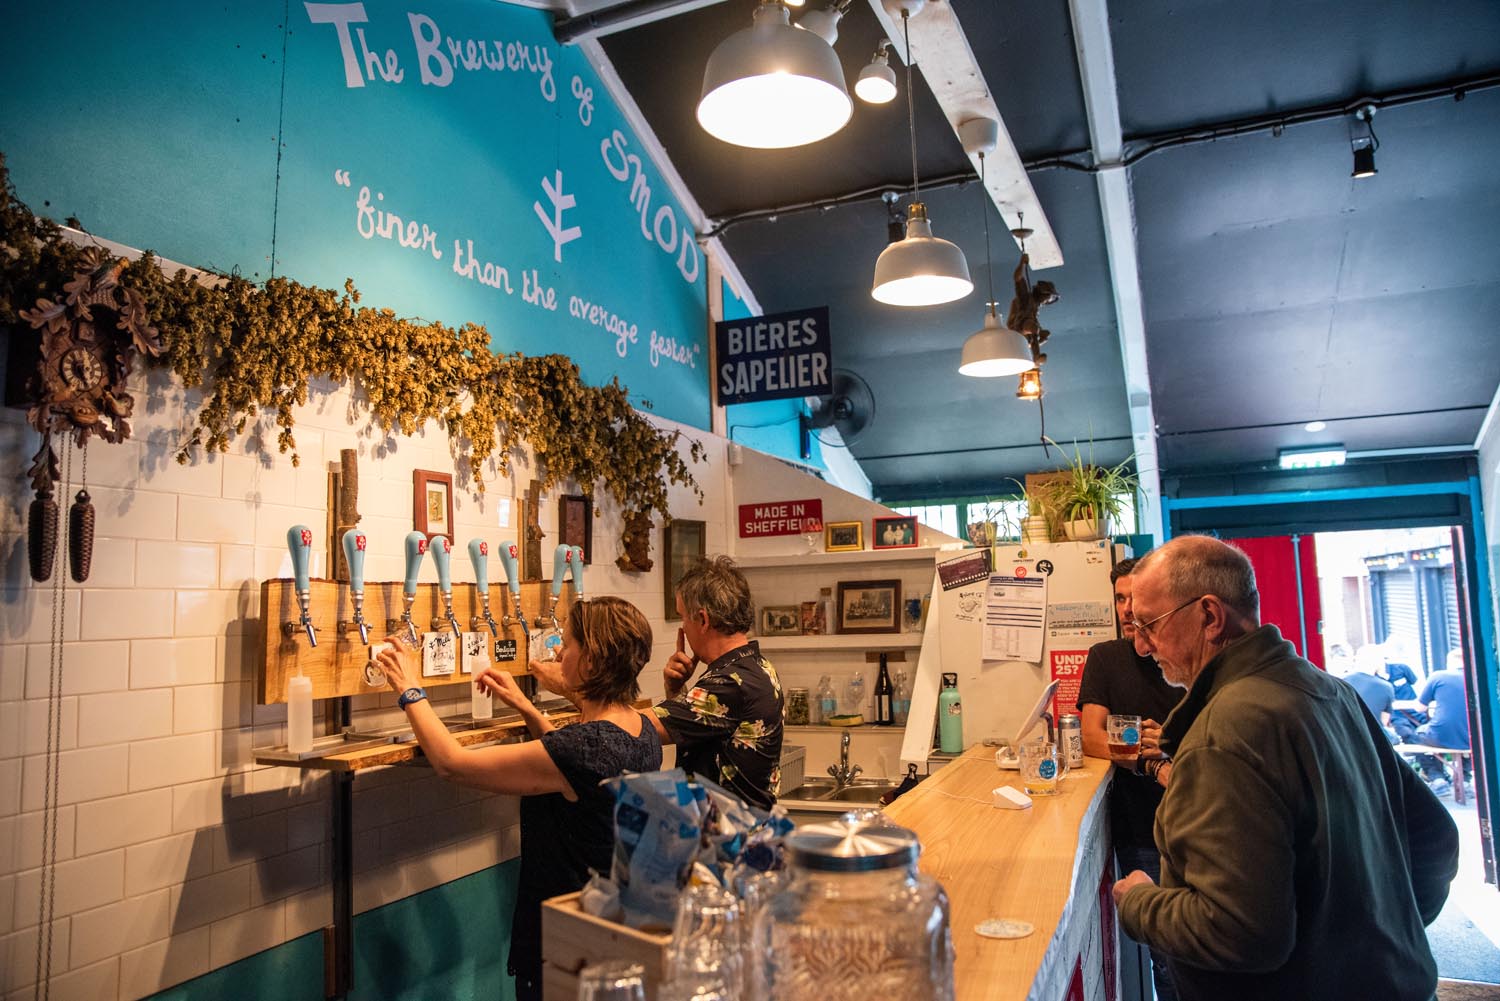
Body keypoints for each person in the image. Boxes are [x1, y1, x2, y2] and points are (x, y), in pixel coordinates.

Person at [1113, 536, 1458, 1001]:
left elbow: (1238, 931)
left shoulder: (1225, 732)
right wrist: (1375, 946)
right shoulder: (1331, 690)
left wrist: (1138, 902)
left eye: (1149, 624)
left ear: (1210, 616)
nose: (1141, 643)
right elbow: (1436, 838)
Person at [373, 596, 662, 1001]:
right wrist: (525, 706)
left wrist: (410, 689)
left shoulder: (584, 748)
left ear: (592, 660)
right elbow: (573, 766)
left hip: (566, 938)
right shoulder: (641, 730)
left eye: (568, 644)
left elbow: (452, 763)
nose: (558, 653)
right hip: (614, 927)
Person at [1075, 555, 1181, 1001]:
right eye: (1120, 598)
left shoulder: (1182, 655)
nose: (1127, 609)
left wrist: (1170, 743)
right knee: (1166, 957)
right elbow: (1090, 737)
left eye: (1134, 598)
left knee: (1205, 946)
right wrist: (1146, 759)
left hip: (1194, 818)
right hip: (1140, 826)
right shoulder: (1105, 657)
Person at [652, 555, 785, 809]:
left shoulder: (729, 683)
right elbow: (699, 725)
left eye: (683, 617)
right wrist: (676, 690)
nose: (683, 628)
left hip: (729, 830)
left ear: (703, 620)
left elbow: (645, 728)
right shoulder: (756, 665)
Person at [1411, 648, 1472, 794]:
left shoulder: (1438, 676)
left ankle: (1437, 778)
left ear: (1450, 662)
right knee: (1463, 735)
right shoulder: (1476, 678)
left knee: (1416, 736)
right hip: (1472, 737)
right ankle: (1464, 779)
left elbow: (1419, 707)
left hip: (1440, 734)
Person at [1344, 645, 1396, 739]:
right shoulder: (1386, 687)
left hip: (1346, 735)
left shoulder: (1341, 682)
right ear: (1378, 662)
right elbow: (1384, 721)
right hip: (1372, 737)